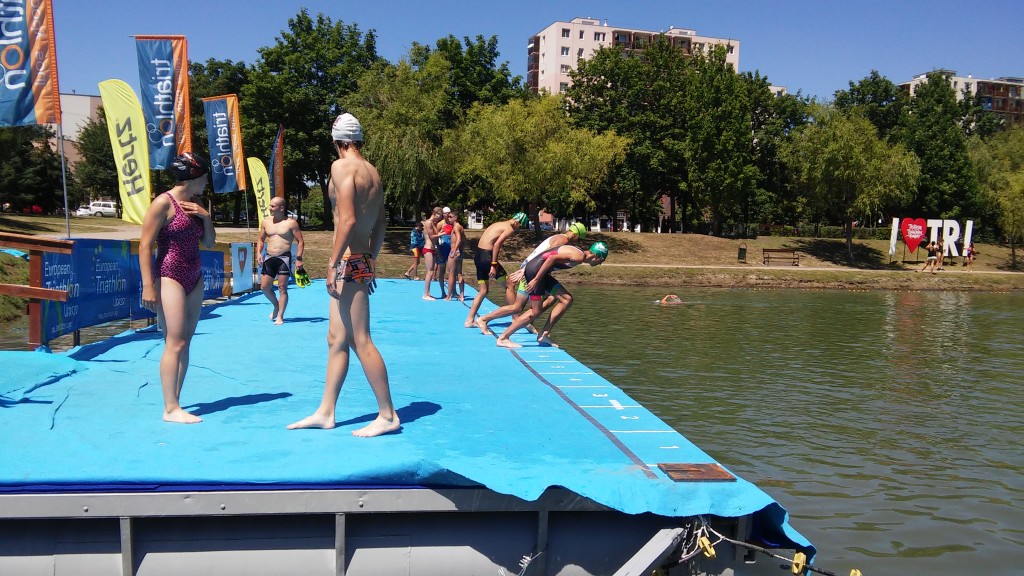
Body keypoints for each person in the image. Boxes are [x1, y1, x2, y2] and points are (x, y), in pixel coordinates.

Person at [288, 113, 399, 437]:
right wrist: (371, 260)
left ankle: (388, 414)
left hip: (348, 262)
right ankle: (326, 411)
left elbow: (348, 220)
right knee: (336, 339)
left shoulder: (341, 167)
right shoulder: (373, 173)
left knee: (360, 339)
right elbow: (380, 224)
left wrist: (333, 264)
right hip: (360, 258)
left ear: (338, 142)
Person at [139, 153, 216, 424]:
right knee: (175, 342)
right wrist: (148, 285)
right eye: (205, 177)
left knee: (186, 342)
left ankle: (176, 402)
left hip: (194, 274)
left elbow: (208, 243)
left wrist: (206, 218)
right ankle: (169, 408)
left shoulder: (196, 203)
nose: (207, 182)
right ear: (193, 177)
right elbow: (145, 245)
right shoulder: (163, 202)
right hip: (169, 273)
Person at [475, 222, 587, 335]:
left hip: (531, 270)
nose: (577, 242)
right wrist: (524, 270)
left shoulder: (558, 237)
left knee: (550, 297)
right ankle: (485, 319)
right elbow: (542, 257)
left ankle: (528, 320)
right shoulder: (562, 241)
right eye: (579, 239)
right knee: (517, 307)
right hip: (530, 272)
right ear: (575, 235)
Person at [495, 242, 608, 349]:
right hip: (536, 273)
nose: (600, 264)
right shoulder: (578, 257)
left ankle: (544, 334)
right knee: (536, 311)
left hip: (538, 272)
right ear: (597, 256)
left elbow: (547, 253)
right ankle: (503, 338)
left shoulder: (579, 253)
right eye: (601, 260)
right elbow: (551, 258)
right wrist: (536, 279)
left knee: (566, 299)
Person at [463, 212, 529, 328]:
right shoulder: (509, 228)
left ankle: (469, 320)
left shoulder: (498, 224)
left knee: (483, 290)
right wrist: (493, 264)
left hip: (478, 256)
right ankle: (515, 318)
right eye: (519, 226)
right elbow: (497, 244)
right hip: (487, 258)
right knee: (510, 285)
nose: (518, 229)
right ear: (516, 222)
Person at [256, 197, 305, 325]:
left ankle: (280, 316)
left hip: (284, 258)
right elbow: (261, 239)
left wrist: (299, 258)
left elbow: (300, 242)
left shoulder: (291, 223)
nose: (269, 208)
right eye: (270, 205)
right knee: (264, 287)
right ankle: (276, 305)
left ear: (281, 208)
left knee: (282, 288)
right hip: (269, 257)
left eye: (272, 206)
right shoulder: (266, 222)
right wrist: (258, 253)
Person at [421, 207, 444, 300]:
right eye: (439, 216)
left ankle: (428, 293)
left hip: (432, 249)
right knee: (430, 272)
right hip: (428, 249)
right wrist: (443, 233)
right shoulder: (429, 223)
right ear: (434, 213)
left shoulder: (433, 223)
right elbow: (432, 236)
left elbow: (436, 235)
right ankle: (425, 294)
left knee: (431, 271)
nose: (439, 218)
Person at [444, 210, 466, 301]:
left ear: (455, 218)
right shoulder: (460, 227)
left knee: (451, 274)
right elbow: (464, 240)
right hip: (459, 252)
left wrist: (454, 250)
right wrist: (461, 250)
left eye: (450, 217)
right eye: (448, 217)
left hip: (455, 251)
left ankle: (449, 296)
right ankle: (461, 295)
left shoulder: (456, 227)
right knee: (459, 273)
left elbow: (459, 239)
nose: (448, 218)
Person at [435, 206, 453, 298]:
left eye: (448, 213)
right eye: (445, 213)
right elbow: (436, 238)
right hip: (442, 249)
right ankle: (443, 291)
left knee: (452, 271)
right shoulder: (440, 224)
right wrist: (438, 251)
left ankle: (453, 291)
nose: (447, 215)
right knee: (441, 271)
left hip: (451, 249)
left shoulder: (453, 223)